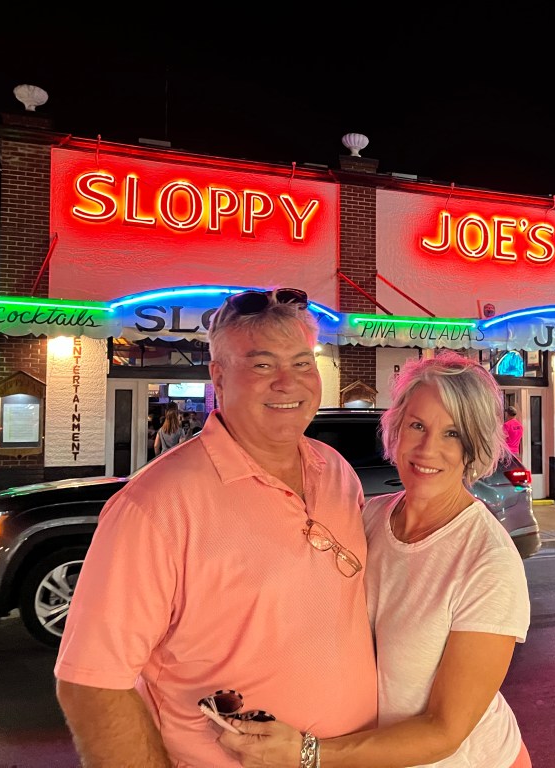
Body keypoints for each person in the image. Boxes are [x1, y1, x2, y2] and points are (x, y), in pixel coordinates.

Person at [54, 288, 378, 767]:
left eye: (302, 362)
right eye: (263, 365)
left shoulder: (336, 472)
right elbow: (91, 682)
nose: (288, 382)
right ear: (219, 376)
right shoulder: (154, 504)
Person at [220, 351, 531, 768]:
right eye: (417, 426)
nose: (428, 449)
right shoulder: (368, 517)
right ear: (396, 429)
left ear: (474, 446)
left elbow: (444, 732)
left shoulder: (488, 561)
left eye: (452, 433)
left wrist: (305, 754)